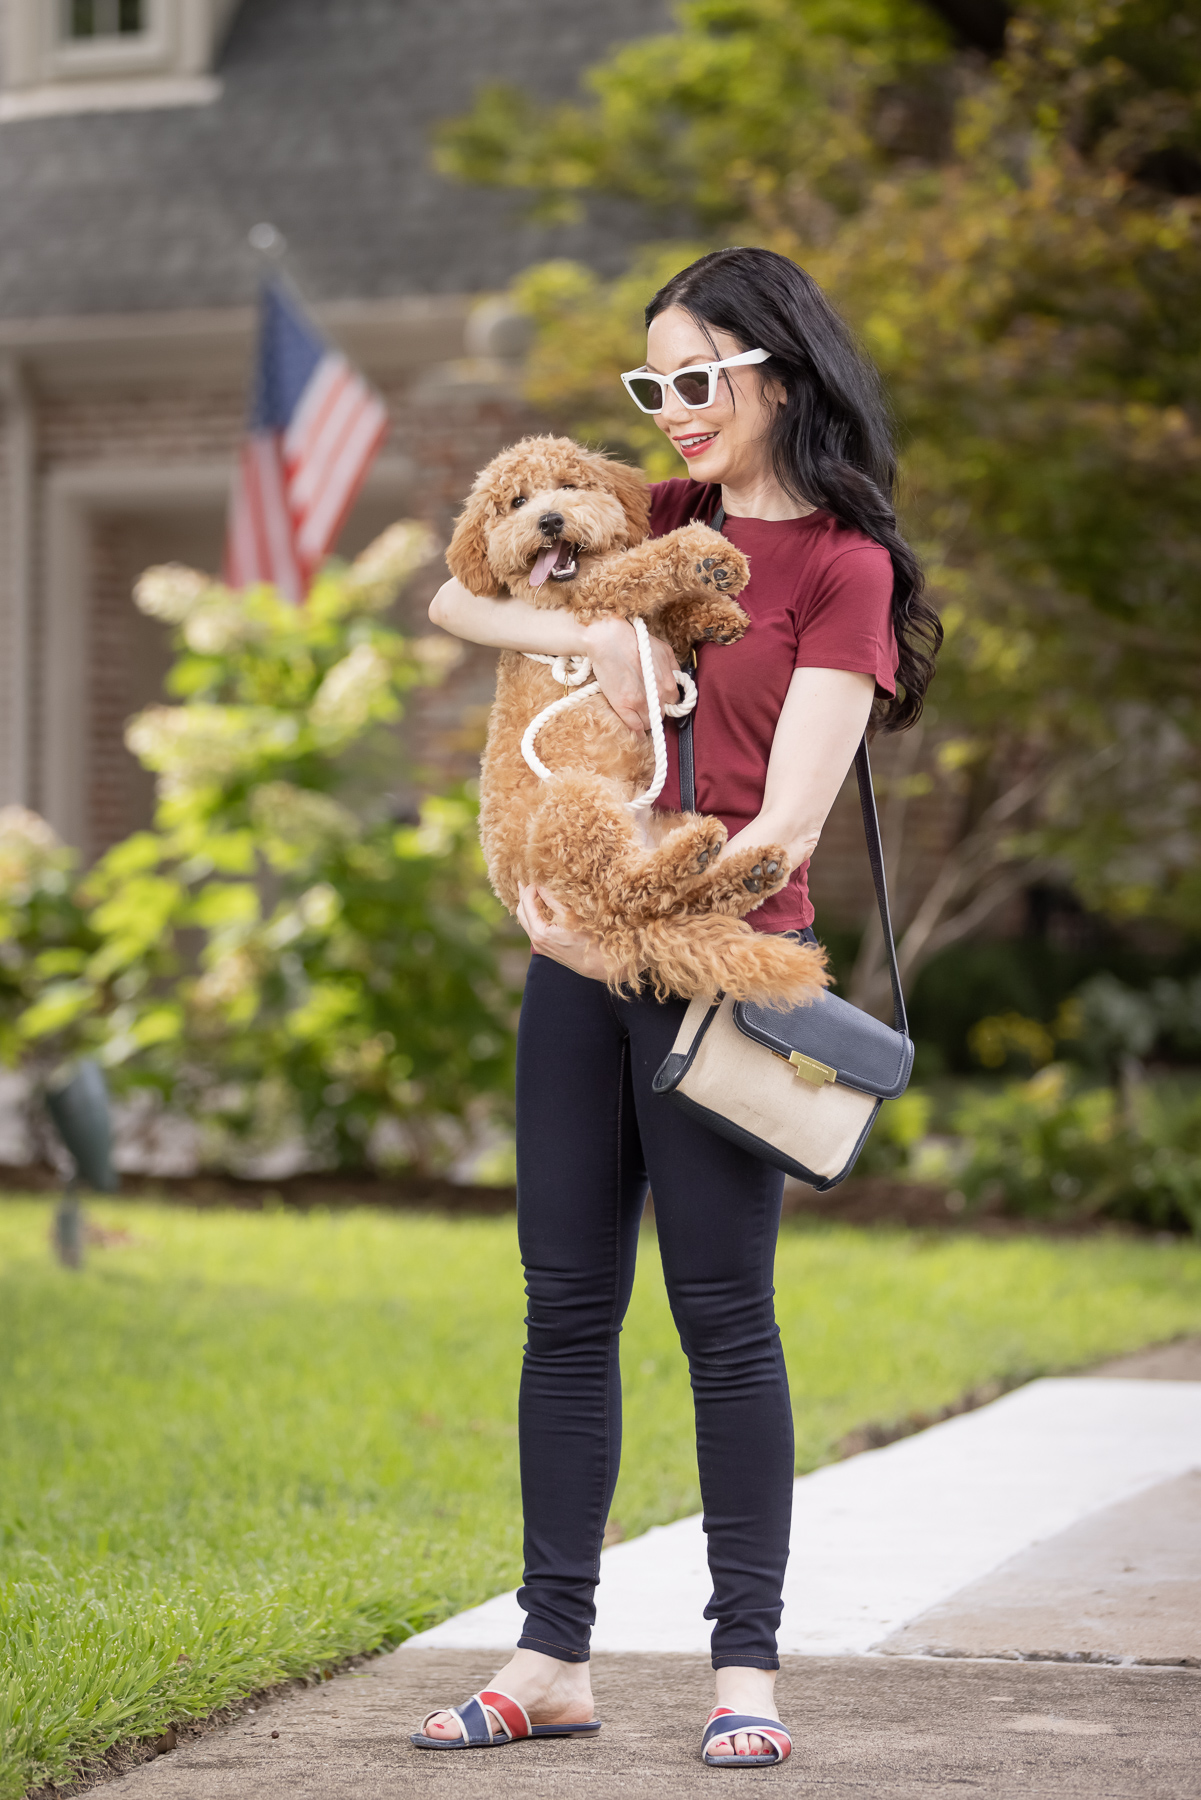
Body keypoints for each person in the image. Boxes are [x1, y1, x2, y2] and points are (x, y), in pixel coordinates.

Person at [411, 246, 940, 1766]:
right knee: (562, 1307)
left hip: (715, 973)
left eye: (696, 380)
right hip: (572, 971)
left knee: (723, 1320)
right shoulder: (653, 522)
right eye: (654, 386)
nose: (674, 413)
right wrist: (581, 636)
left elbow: (784, 824)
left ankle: (744, 1677)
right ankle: (552, 1653)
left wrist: (619, 926)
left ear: (778, 369)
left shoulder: (845, 567)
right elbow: (461, 597)